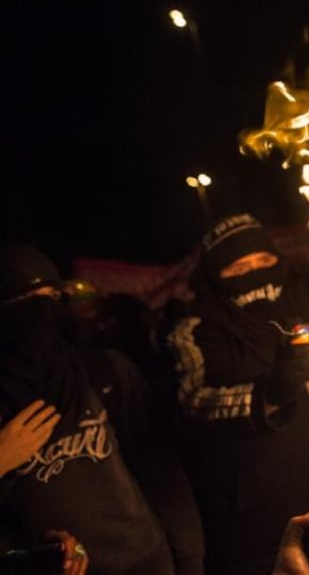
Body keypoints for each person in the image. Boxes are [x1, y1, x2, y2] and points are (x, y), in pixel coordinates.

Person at [162, 213, 309, 575]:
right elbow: (196, 401)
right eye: (239, 267)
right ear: (217, 277)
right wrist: (273, 392)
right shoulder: (194, 328)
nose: (256, 274)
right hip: (255, 524)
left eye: (263, 261)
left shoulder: (301, 311)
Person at [0, 242, 177, 574]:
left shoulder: (103, 372)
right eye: (22, 300)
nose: (39, 312)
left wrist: (187, 555)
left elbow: (160, 468)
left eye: (51, 298)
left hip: (147, 562)